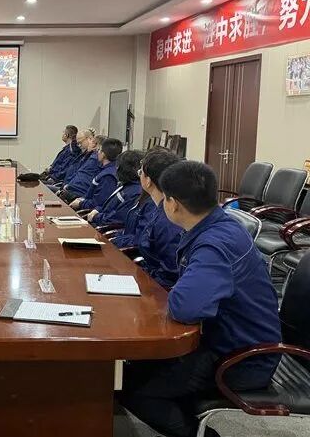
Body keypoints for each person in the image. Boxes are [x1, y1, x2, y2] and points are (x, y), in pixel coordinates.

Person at [119, 161, 281, 437]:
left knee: (132, 388)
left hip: (241, 359)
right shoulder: (218, 226)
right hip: (231, 340)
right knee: (132, 367)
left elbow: (185, 307)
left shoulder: (214, 244)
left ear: (173, 204)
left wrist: (177, 291)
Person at [137, 148, 184, 289]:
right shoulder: (162, 208)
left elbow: (171, 276)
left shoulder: (169, 220)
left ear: (148, 181)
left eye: (140, 173)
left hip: (159, 290)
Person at [86, 150, 143, 226]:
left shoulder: (135, 193)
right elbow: (109, 207)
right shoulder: (126, 186)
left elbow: (116, 219)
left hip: (103, 227)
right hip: (101, 220)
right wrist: (98, 210)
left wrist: (96, 217)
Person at [70, 138, 123, 210]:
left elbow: (98, 203)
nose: (97, 153)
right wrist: (82, 199)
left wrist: (80, 203)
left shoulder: (108, 176)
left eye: (99, 150)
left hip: (89, 212)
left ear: (103, 154)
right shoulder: (105, 170)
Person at [58, 134, 106, 203]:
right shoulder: (88, 156)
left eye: (91, 141)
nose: (79, 145)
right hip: (70, 189)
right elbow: (78, 172)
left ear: (95, 145)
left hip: (77, 194)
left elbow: (82, 177)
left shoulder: (95, 159)